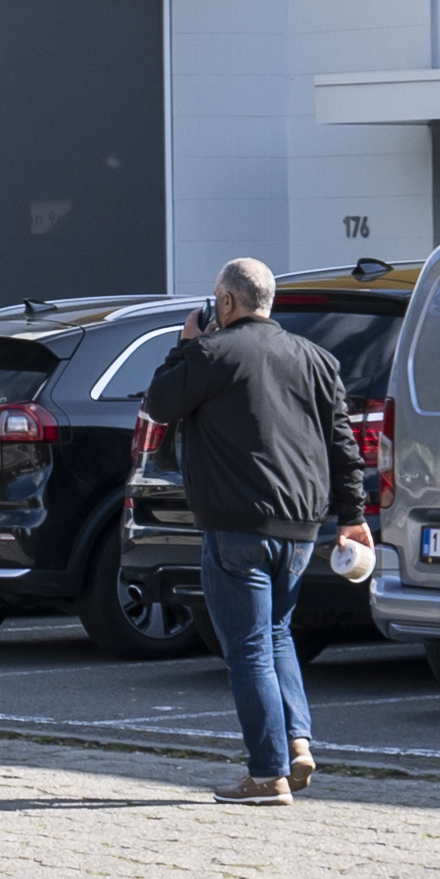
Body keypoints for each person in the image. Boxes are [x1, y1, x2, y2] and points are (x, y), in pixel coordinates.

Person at [142, 257, 371, 805]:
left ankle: (266, 775)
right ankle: (296, 744)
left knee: (247, 648)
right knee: (276, 635)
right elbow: (343, 445)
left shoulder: (210, 353)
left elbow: (158, 404)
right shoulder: (317, 359)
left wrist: (184, 344)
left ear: (225, 302)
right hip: (300, 526)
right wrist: (353, 516)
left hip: (236, 525)